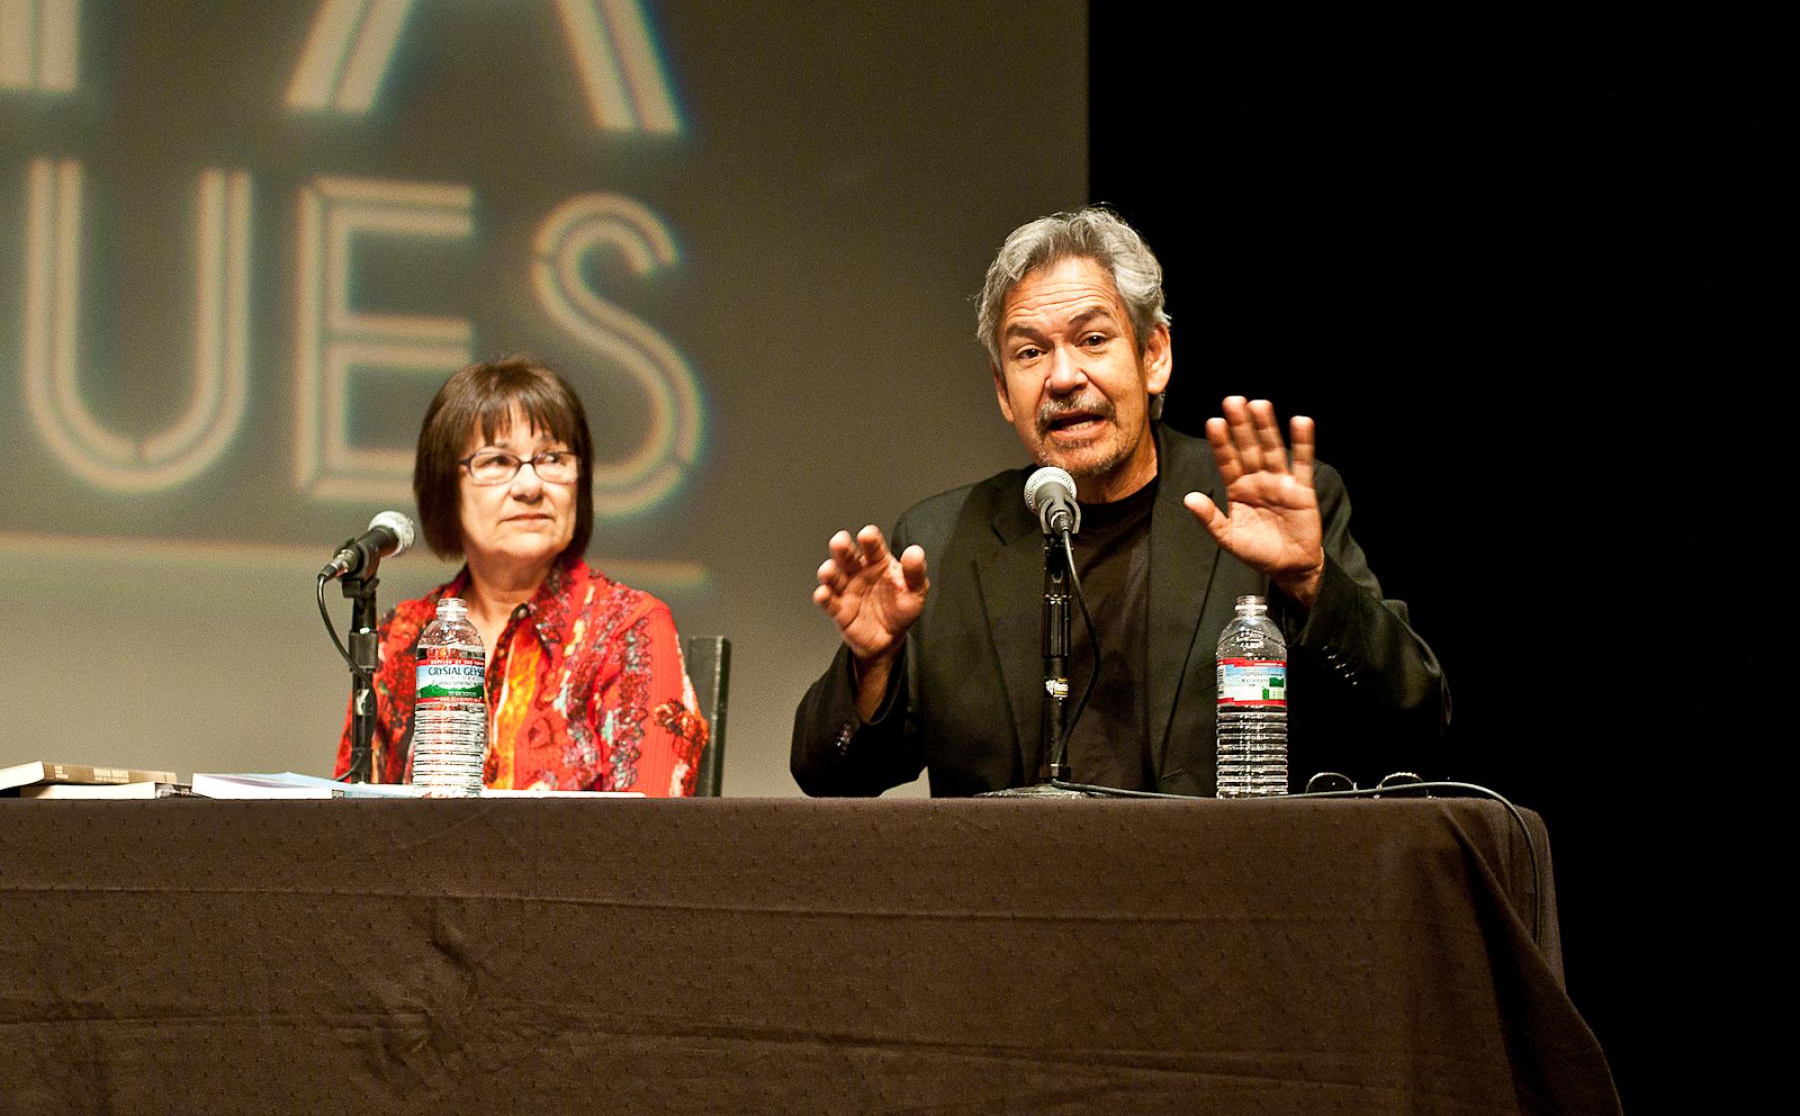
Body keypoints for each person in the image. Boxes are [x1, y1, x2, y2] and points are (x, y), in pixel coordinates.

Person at [792, 208, 1447, 797]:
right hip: (1004, 919)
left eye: (1093, 339)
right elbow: (831, 777)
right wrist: (872, 666)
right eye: (1029, 352)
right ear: (1002, 390)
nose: (1064, 377)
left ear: (1154, 355)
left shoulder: (1261, 515)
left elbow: (1414, 719)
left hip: (1223, 913)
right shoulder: (940, 542)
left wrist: (1310, 584)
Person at [334, 356, 708, 794]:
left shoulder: (628, 628)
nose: (530, 487)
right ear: (444, 486)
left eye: (552, 458)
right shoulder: (401, 637)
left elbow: (650, 837)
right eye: (496, 462)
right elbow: (353, 829)